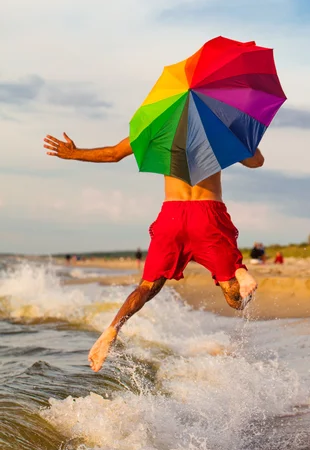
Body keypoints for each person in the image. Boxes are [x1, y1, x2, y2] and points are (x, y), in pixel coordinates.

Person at [43, 133, 264, 372]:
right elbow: (256, 162)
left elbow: (113, 154)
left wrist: (74, 153)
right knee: (236, 301)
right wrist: (237, 141)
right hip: (207, 214)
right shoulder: (218, 131)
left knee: (147, 287)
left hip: (172, 216)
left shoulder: (158, 128)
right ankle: (239, 270)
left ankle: (112, 329)